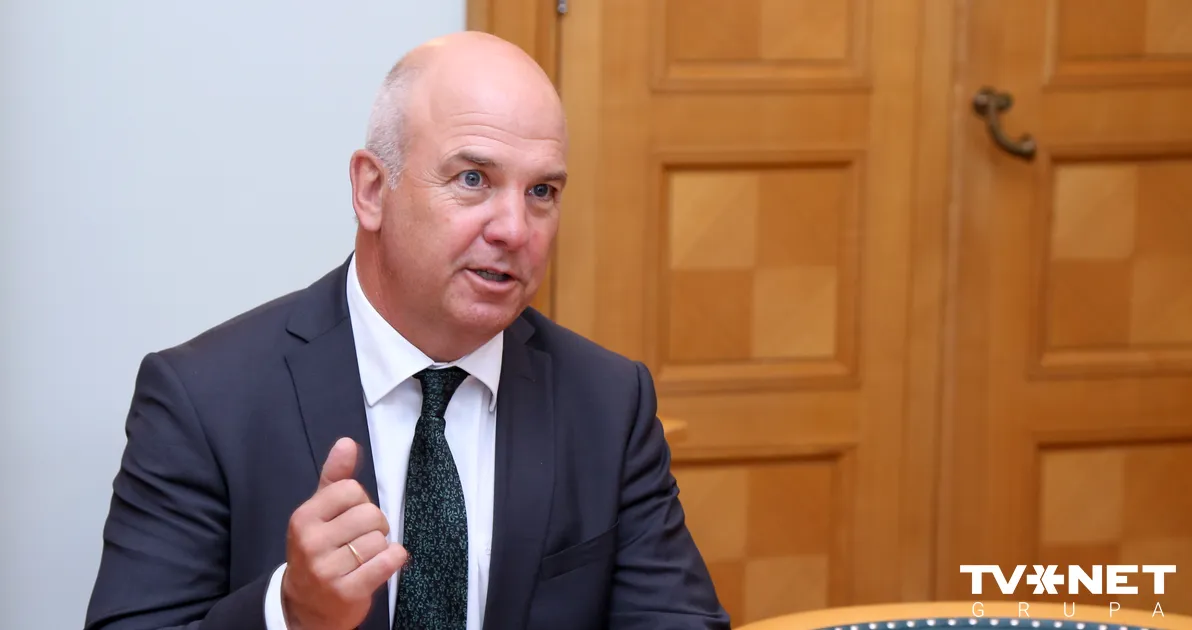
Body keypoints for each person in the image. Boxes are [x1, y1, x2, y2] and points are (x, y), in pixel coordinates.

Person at [84, 30, 729, 630]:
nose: (514, 229)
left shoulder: (609, 402)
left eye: (542, 192)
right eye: (473, 179)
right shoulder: (205, 399)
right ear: (372, 190)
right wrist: (289, 611)